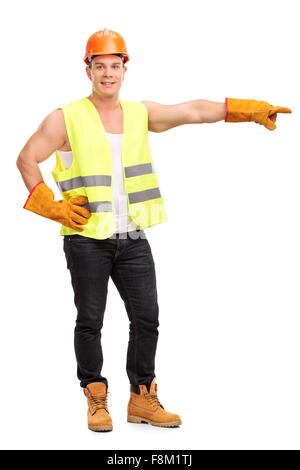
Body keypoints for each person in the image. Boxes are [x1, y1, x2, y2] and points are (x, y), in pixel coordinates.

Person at [16, 28, 292, 433]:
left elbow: (193, 111)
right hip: (86, 240)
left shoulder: (139, 113)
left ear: (124, 70)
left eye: (115, 66)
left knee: (147, 320)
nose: (107, 73)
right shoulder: (65, 118)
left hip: (133, 239)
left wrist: (247, 111)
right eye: (100, 66)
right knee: (90, 321)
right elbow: (26, 158)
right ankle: (95, 394)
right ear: (88, 69)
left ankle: (142, 397)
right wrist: (49, 205)